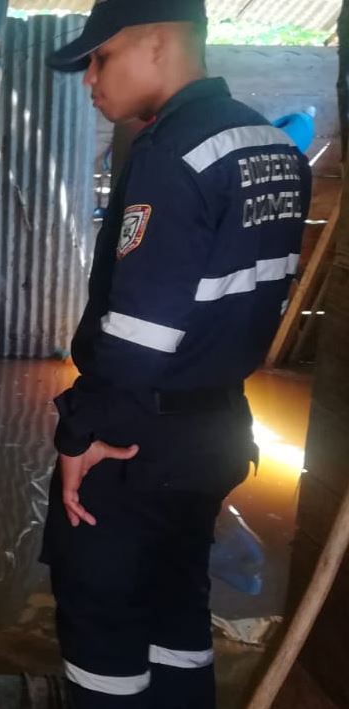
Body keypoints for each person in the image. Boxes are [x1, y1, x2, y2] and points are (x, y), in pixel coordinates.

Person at [42, 1, 311, 707]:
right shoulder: (271, 147)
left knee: (103, 620)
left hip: (137, 443)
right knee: (176, 607)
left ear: (157, 42)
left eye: (100, 58)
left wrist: (81, 432)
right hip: (217, 429)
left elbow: (137, 336)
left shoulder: (172, 150)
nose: (90, 79)